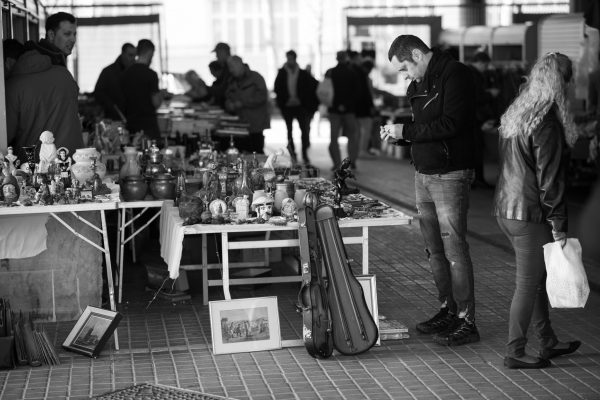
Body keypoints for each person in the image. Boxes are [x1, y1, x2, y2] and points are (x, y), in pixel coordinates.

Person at [381, 35, 479, 346]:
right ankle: (448, 309)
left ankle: (467, 319)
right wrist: (401, 137)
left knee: (454, 251)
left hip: (450, 175)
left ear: (415, 54)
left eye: (404, 69)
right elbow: (425, 126)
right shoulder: (418, 85)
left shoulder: (455, 74)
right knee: (434, 251)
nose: (405, 76)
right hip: (423, 173)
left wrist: (406, 131)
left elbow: (451, 124)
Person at [493, 52, 582, 369]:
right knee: (527, 285)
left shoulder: (519, 113)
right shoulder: (546, 123)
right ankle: (514, 351)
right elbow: (550, 181)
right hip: (529, 215)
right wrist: (559, 225)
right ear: (563, 84)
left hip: (507, 209)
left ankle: (548, 341)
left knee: (537, 279)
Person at [6, 13, 83, 156]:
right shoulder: (62, 73)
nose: (73, 39)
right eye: (67, 34)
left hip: (31, 164)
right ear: (51, 35)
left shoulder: (16, 81)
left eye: (74, 34)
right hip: (66, 160)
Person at [273, 50, 319, 164]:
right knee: (289, 130)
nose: (290, 61)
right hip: (287, 106)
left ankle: (304, 152)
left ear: (295, 58)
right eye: (288, 58)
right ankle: (292, 151)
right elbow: (277, 88)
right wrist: (283, 102)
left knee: (304, 129)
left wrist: (303, 101)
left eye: (291, 58)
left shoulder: (303, 73)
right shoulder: (282, 73)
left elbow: (310, 88)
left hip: (300, 106)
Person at [225, 55, 270, 154]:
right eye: (229, 67)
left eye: (232, 67)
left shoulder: (256, 78)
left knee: (256, 153)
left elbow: (262, 97)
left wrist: (242, 103)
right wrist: (229, 104)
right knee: (241, 153)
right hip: (239, 125)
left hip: (255, 124)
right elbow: (228, 96)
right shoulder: (231, 80)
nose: (230, 70)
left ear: (239, 65)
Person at [468, 51, 499, 188]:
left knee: (473, 149)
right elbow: (476, 98)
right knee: (476, 149)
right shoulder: (474, 75)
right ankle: (477, 179)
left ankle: (475, 179)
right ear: (481, 63)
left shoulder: (466, 72)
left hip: (469, 118)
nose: (486, 69)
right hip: (474, 118)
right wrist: (490, 94)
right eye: (486, 66)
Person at [122, 39, 164, 139]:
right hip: (148, 126)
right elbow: (156, 103)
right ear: (150, 53)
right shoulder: (151, 74)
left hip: (131, 124)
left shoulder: (126, 73)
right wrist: (162, 94)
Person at [326, 50, 359, 170]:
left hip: (334, 110)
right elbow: (356, 92)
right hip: (349, 110)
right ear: (346, 58)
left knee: (334, 138)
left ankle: (336, 163)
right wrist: (345, 105)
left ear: (336, 58)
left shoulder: (330, 72)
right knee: (352, 136)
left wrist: (338, 104)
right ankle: (352, 161)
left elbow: (325, 91)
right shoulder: (352, 73)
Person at [94, 42, 136, 121]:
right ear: (123, 54)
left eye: (135, 56)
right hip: (113, 118)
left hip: (133, 118)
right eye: (130, 55)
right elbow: (98, 93)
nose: (133, 59)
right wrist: (112, 106)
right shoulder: (108, 72)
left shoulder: (136, 72)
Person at [209, 42, 232, 109]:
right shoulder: (226, 67)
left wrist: (206, 88)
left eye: (217, 53)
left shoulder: (229, 67)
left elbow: (224, 89)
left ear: (223, 52)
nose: (216, 56)